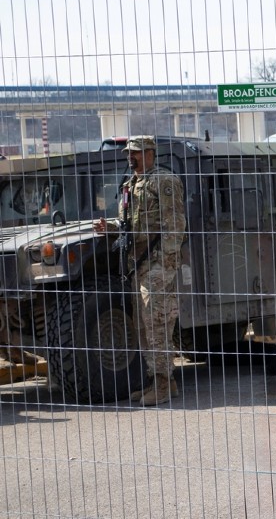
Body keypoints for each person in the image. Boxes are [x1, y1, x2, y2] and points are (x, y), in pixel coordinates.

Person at [94, 136, 186, 405]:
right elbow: (129, 226)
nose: (129, 157)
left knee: (157, 324)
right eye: (128, 153)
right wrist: (110, 229)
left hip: (158, 263)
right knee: (144, 327)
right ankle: (162, 383)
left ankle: (162, 384)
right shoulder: (130, 184)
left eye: (134, 152)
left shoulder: (164, 181)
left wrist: (166, 263)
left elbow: (175, 223)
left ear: (149, 153)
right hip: (139, 264)